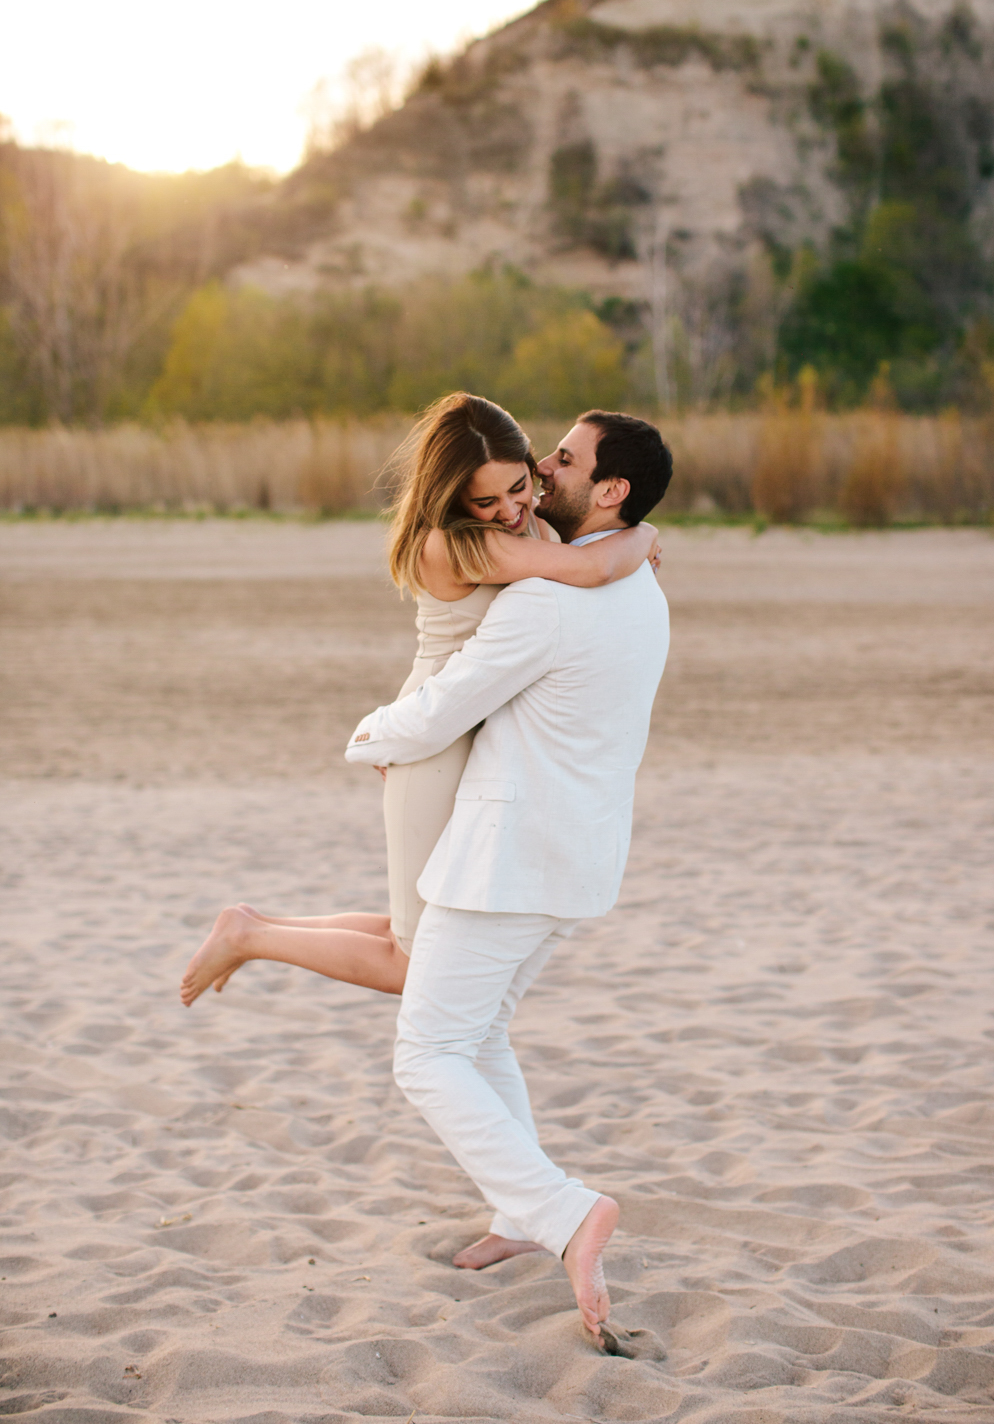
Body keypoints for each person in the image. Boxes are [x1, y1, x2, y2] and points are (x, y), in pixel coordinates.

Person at [344, 409, 672, 1346]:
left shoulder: (545, 598)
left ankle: (564, 1211)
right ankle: (520, 1216)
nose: (543, 467)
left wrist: (369, 736)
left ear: (607, 490)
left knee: (427, 1055)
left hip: (504, 861)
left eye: (564, 461)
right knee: (476, 1035)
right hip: (574, 860)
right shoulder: (639, 583)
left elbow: (447, 707)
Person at [179, 395, 658, 1009]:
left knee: (429, 932)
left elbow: (590, 566)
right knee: (413, 963)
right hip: (433, 739)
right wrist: (641, 534)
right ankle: (251, 936)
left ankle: (249, 926)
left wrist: (625, 539)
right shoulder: (458, 544)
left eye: (519, 488)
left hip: (473, 733)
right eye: (487, 501)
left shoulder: (529, 522)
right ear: (454, 497)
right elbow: (589, 570)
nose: (511, 510)